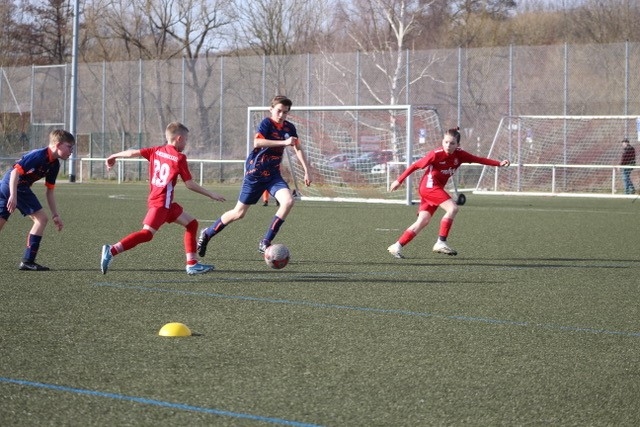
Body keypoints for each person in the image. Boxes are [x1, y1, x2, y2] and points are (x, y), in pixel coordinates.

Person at [100, 122, 226, 275]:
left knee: (192, 224)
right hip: (161, 204)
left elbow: (132, 153)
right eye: (186, 140)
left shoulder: (156, 150)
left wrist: (113, 156)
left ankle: (192, 264)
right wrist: (211, 194)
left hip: (165, 204)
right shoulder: (179, 158)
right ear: (179, 138)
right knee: (146, 234)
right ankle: (112, 250)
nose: (186, 143)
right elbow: (189, 184)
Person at [197, 95, 311, 257]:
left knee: (288, 201)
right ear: (271, 109)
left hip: (273, 175)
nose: (281, 115)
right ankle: (207, 233)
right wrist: (284, 143)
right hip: (255, 173)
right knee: (239, 213)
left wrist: (306, 170)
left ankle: (265, 241)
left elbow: (297, 147)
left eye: (285, 112)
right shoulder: (266, 123)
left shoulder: (289, 128)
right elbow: (258, 143)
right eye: (279, 111)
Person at [387, 127, 510, 259]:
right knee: (453, 208)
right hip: (429, 187)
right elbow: (415, 165)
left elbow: (479, 159)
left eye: (452, 143)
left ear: (458, 145)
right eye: (446, 142)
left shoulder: (460, 155)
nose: (448, 145)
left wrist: (499, 163)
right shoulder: (436, 154)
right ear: (442, 141)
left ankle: (397, 246)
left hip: (433, 188)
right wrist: (399, 180)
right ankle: (441, 242)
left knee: (423, 220)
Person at [0, 129, 76, 271]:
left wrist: (55, 215)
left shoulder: (54, 164)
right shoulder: (39, 155)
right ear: (58, 145)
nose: (71, 151)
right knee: (41, 219)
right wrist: (13, 195)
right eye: (69, 147)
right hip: (15, 186)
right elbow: (15, 172)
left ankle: (28, 261)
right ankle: (28, 261)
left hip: (9, 187)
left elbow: (49, 191)